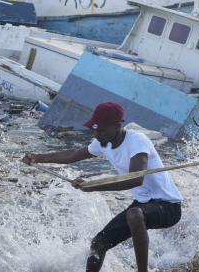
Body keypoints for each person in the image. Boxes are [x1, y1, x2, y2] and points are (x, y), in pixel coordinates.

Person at [22, 102, 182, 272]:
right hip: (144, 204)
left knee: (134, 214)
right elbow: (72, 155)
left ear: (118, 126)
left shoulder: (137, 141)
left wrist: (93, 186)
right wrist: (38, 157)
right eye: (94, 129)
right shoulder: (102, 142)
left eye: (101, 130)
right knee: (98, 244)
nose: (96, 134)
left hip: (169, 206)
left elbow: (135, 180)